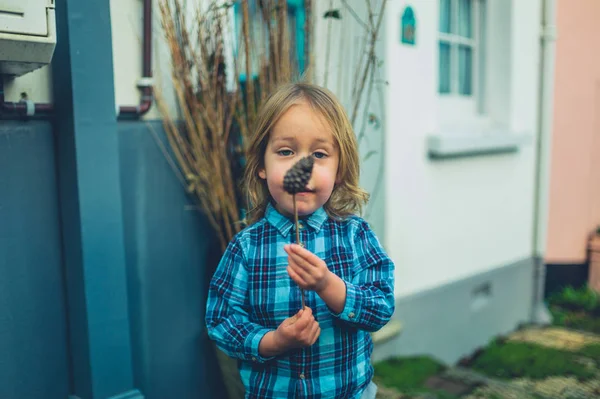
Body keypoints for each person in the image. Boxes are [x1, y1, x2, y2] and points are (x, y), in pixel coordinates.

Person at [205, 82, 395, 399]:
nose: (301, 167)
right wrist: (274, 341)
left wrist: (327, 285)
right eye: (285, 152)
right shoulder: (246, 247)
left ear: (339, 169)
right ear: (262, 166)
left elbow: (380, 308)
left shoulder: (356, 236)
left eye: (319, 154)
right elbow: (221, 321)